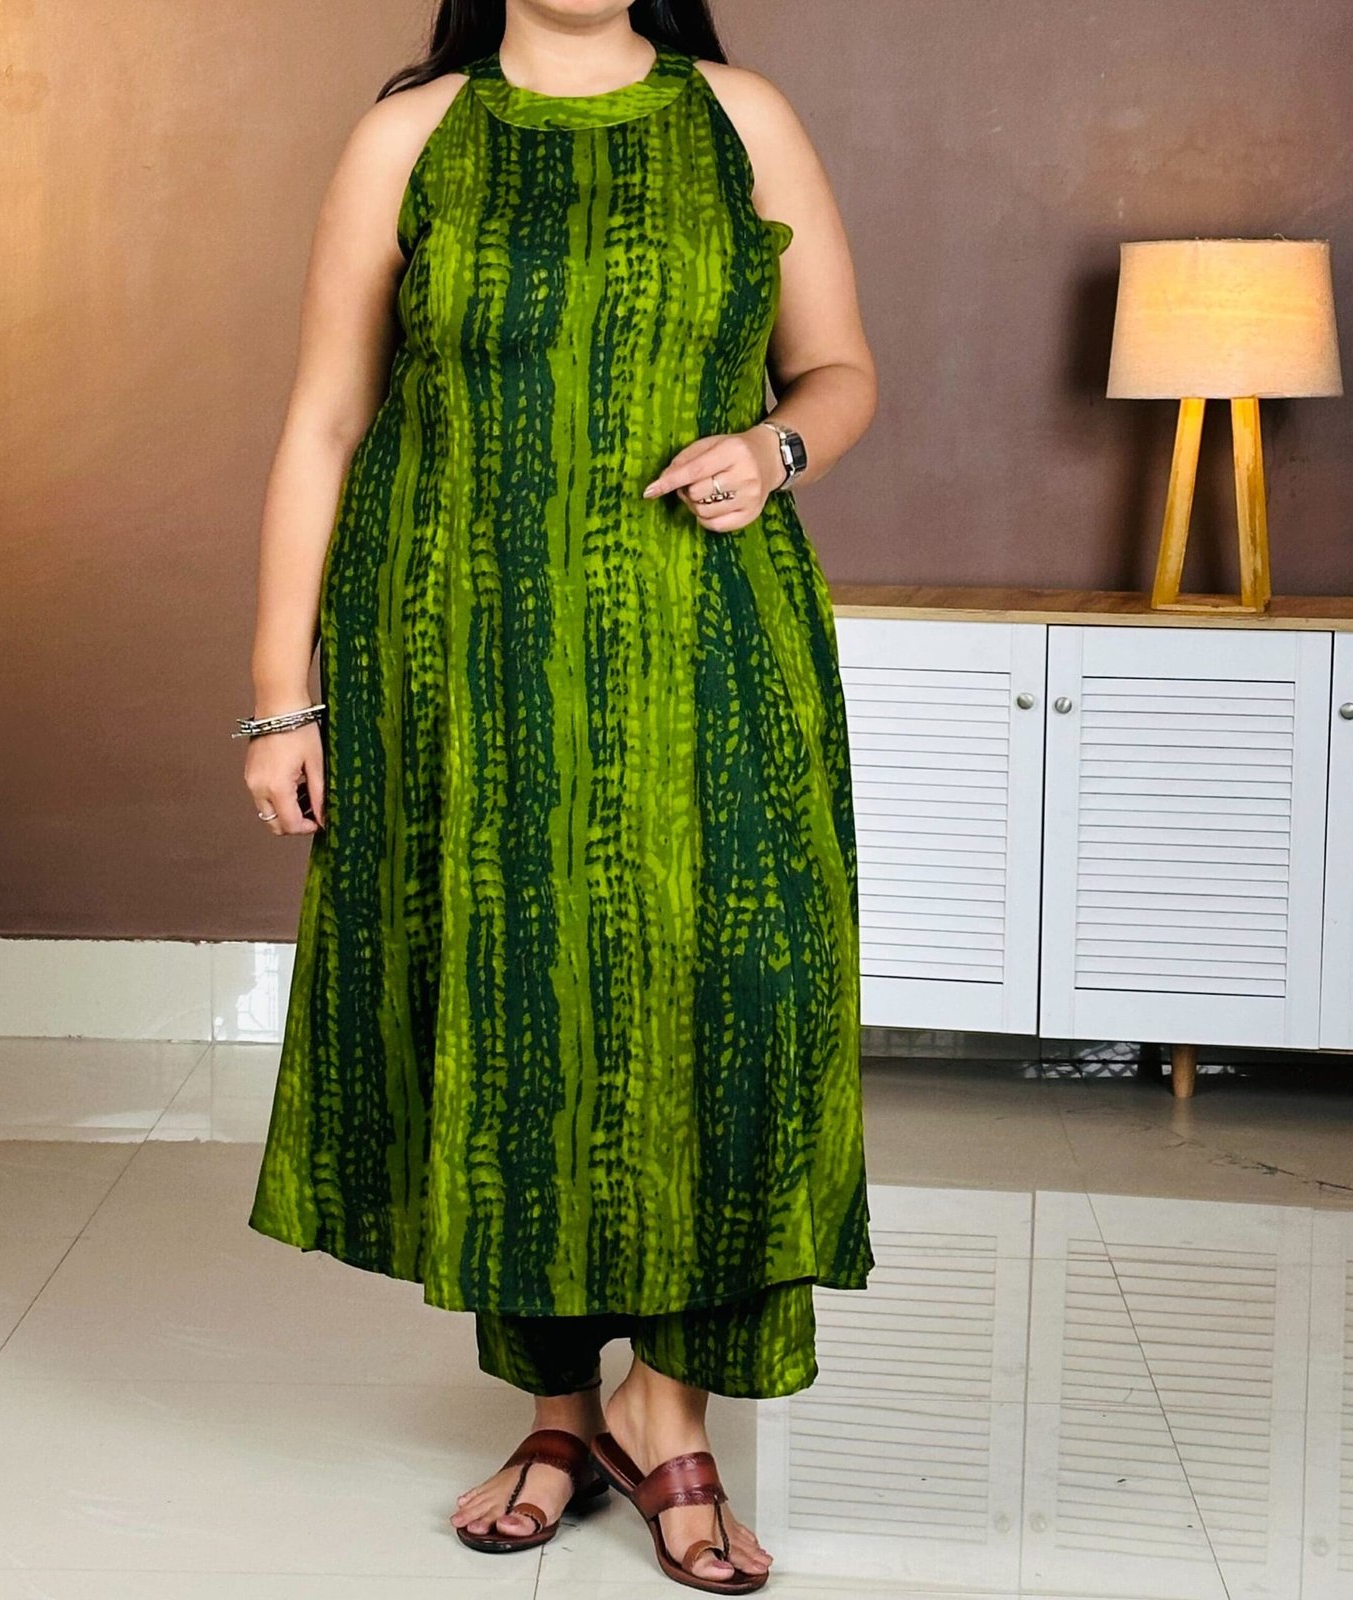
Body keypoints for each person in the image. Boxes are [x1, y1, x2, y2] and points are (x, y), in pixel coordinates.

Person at [238, 1, 876, 1591]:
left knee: (725, 1004)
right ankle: (557, 1414)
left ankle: (672, 1410)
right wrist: (280, 696)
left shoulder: (740, 117)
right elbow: (326, 421)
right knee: (512, 1005)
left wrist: (776, 451)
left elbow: (842, 370)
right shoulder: (412, 134)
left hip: (705, 643)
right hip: (459, 654)